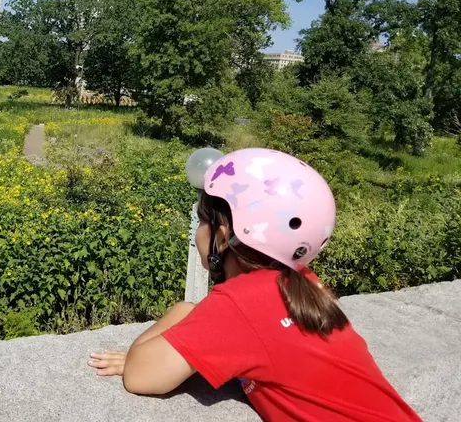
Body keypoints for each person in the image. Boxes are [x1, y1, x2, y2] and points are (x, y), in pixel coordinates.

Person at [88, 148, 421, 422]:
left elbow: (140, 376)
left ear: (221, 237)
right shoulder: (305, 284)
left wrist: (183, 313)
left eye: (204, 220)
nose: (198, 229)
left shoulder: (237, 305)